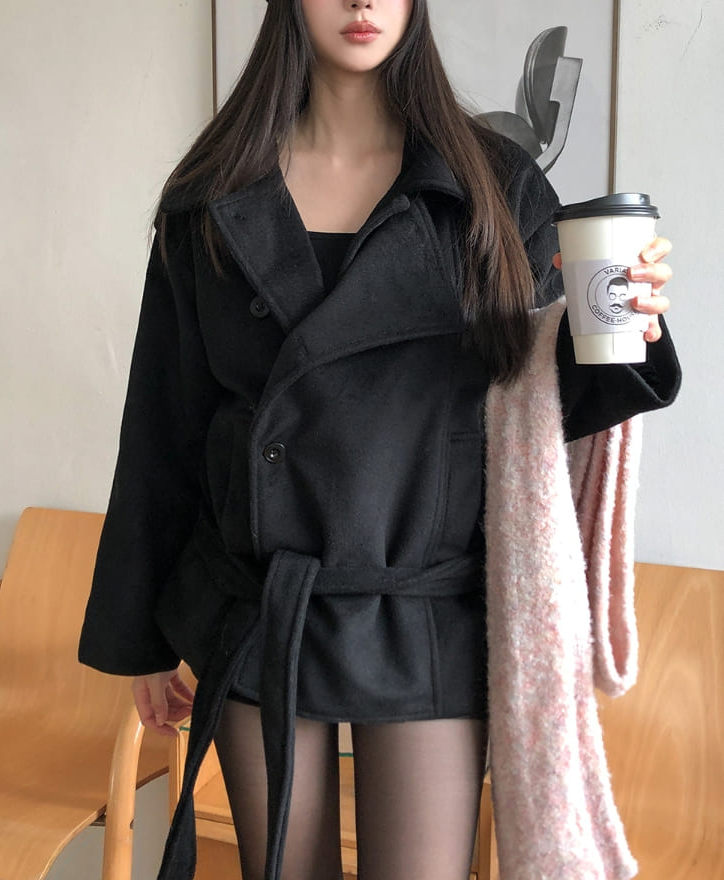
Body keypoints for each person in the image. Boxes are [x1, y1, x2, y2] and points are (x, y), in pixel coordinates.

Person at [78, 2, 681, 879]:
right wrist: (143, 638)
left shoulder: (493, 185)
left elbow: (546, 398)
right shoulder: (211, 193)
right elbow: (164, 421)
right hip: (261, 605)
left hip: (425, 606)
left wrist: (633, 320)